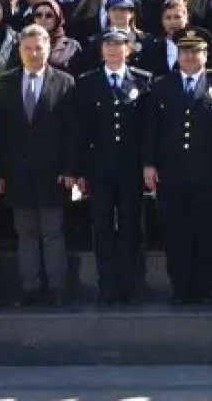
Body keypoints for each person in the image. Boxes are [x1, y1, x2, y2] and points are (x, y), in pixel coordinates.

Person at [143, 28, 212, 304]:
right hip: (171, 172)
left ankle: (207, 287)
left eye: (195, 51)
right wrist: (148, 164)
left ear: (205, 55)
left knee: (207, 232)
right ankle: (181, 287)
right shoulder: (161, 85)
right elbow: (152, 129)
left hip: (208, 172)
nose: (189, 56)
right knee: (175, 232)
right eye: (185, 51)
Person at [0, 24, 77, 307]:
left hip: (53, 173)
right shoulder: (4, 83)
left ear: (48, 49)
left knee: (52, 232)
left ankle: (56, 288)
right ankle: (29, 287)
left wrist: (69, 169)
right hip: (16, 173)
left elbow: (70, 131)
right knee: (25, 232)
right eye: (27, 48)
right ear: (20, 50)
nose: (33, 53)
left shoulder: (64, 82)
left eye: (38, 47)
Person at [71, 28, 152, 305]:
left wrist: (148, 164)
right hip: (99, 168)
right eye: (108, 45)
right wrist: (79, 170)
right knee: (103, 228)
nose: (114, 50)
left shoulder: (142, 80)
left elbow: (147, 130)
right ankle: (107, 286)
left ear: (129, 49)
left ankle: (131, 285)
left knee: (131, 227)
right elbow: (79, 130)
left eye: (119, 45)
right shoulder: (87, 82)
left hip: (131, 168)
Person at [14, 0, 83, 76]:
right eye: (38, 15)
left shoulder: (71, 46)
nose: (43, 19)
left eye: (49, 16)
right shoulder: (22, 43)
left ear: (57, 18)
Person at [140, 0, 190, 77]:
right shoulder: (152, 47)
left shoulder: (195, 47)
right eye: (168, 18)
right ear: (162, 21)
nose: (173, 22)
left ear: (186, 18)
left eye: (177, 17)